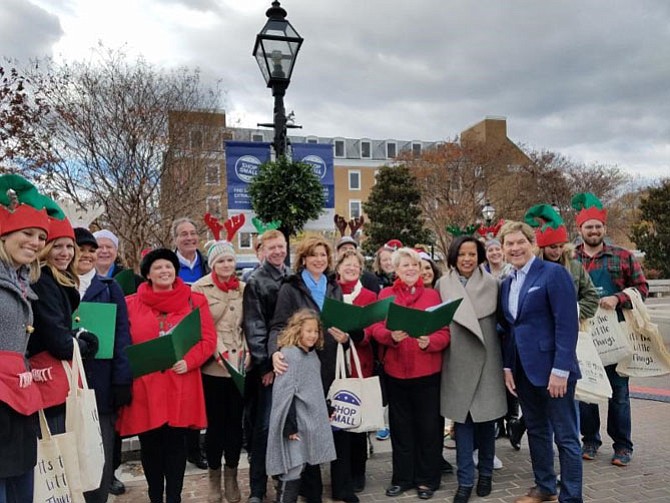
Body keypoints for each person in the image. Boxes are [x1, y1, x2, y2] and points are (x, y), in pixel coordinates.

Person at [116, 249, 216, 503]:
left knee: (175, 445)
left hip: (180, 381)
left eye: (169, 266)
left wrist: (189, 361)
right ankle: (155, 496)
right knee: (150, 445)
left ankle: (174, 496)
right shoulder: (129, 304)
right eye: (158, 267)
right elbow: (121, 341)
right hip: (146, 386)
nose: (164, 271)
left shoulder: (195, 301)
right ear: (147, 273)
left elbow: (207, 340)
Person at [498, 221, 582, 503]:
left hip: (554, 371)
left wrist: (561, 370)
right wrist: (508, 366)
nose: (515, 248)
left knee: (566, 436)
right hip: (523, 371)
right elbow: (511, 328)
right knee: (536, 430)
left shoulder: (553, 273)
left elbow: (567, 325)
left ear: (532, 244)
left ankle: (571, 496)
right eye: (509, 244)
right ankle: (545, 486)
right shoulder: (507, 282)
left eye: (520, 242)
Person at [507, 205, 600, 452]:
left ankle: (572, 479)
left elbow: (587, 300)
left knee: (565, 425)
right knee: (539, 422)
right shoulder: (519, 276)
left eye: (560, 246)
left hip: (563, 348)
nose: (557, 251)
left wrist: (576, 311)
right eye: (552, 247)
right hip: (532, 359)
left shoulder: (569, 269)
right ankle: (544, 481)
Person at [269, 235, 351, 503]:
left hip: (328, 365)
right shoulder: (290, 288)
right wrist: (275, 353)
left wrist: (345, 337)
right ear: (304, 259)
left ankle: (341, 487)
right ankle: (310, 490)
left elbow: (340, 322)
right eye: (314, 255)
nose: (319, 259)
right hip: (302, 366)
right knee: (303, 430)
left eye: (323, 255)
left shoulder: (334, 286)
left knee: (331, 424)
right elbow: (278, 326)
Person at [572, 193, 648, 467]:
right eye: (588, 226)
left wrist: (618, 298)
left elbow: (642, 289)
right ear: (579, 229)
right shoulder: (570, 258)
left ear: (604, 228)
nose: (593, 231)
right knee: (586, 390)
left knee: (619, 393)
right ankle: (590, 440)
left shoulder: (623, 256)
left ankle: (623, 446)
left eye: (597, 226)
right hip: (582, 334)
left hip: (615, 332)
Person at [370, 247, 450, 500]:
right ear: (395, 269)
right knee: (401, 429)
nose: (411, 269)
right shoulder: (386, 295)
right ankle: (403, 478)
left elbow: (445, 331)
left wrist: (432, 342)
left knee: (428, 429)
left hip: (427, 372)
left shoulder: (432, 295)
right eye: (405, 266)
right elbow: (374, 329)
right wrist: (390, 336)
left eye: (414, 265)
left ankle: (427, 479)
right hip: (396, 372)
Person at [437, 237, 506, 503]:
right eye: (462, 254)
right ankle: (465, 480)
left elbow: (504, 324)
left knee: (487, 425)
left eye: (472, 254)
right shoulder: (443, 284)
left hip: (487, 362)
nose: (467, 259)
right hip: (456, 363)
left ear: (480, 257)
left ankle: (485, 474)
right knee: (462, 427)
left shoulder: (494, 285)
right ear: (453, 257)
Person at [0, 174, 56, 503]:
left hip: (19, 407)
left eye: (40, 237)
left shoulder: (23, 284)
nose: (35, 243)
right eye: (27, 234)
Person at [74, 227, 133, 503]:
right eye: (80, 250)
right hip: (66, 384)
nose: (86, 256)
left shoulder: (110, 289)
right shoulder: (56, 286)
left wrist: (122, 379)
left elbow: (122, 336)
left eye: (91, 251)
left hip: (101, 383)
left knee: (100, 453)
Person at [28, 216, 99, 433]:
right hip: (50, 380)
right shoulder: (44, 280)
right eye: (57, 246)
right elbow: (57, 340)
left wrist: (75, 335)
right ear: (45, 248)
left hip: (53, 380)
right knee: (60, 445)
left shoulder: (58, 280)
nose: (65, 252)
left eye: (69, 246)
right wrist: (85, 344)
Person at [192, 241, 247, 503]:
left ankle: (232, 476)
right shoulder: (200, 288)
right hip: (214, 366)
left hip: (240, 366)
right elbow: (203, 326)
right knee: (215, 427)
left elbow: (248, 325)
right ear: (213, 264)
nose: (226, 265)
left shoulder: (243, 289)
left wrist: (246, 354)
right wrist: (220, 353)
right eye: (221, 261)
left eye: (230, 260)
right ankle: (214, 478)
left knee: (236, 426)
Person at [267, 309, 337, 503]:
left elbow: (312, 388)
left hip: (309, 422)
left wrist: (325, 408)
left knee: (302, 465)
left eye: (315, 331)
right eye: (308, 331)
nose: (313, 335)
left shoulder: (311, 356)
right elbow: (283, 394)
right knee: (293, 467)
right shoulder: (289, 354)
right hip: (294, 423)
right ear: (298, 330)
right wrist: (289, 425)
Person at [242, 229, 288, 503]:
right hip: (268, 367)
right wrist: (265, 366)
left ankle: (284, 479)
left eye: (281, 246)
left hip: (290, 362)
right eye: (272, 247)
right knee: (263, 428)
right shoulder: (257, 281)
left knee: (285, 426)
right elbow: (255, 327)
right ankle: (257, 488)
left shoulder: (290, 277)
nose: (278, 251)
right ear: (262, 250)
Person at [334, 249, 378, 493]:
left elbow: (372, 328)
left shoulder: (369, 295)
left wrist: (354, 334)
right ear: (338, 267)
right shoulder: (331, 291)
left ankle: (358, 471)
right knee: (339, 419)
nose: (351, 268)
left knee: (357, 422)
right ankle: (341, 472)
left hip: (360, 361)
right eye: (346, 264)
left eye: (355, 265)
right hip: (335, 364)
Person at [172, 217, 210, 469]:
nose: (189, 238)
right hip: (175, 336)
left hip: (203, 337)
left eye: (193, 233)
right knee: (179, 396)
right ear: (175, 239)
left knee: (200, 396)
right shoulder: (168, 265)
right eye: (183, 234)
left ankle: (196, 450)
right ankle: (178, 449)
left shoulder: (207, 265)